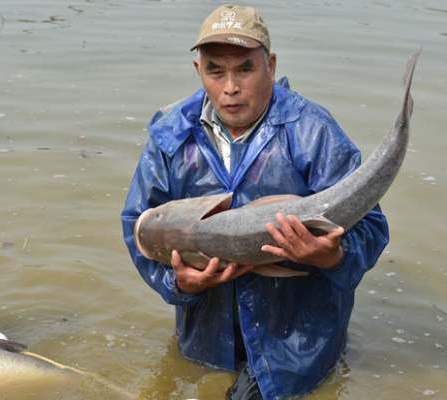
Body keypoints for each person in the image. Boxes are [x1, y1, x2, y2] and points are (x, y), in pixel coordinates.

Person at [121, 4, 389, 400]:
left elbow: (371, 226)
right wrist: (178, 283)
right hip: (205, 343)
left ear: (271, 65)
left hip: (297, 347)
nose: (231, 87)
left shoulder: (313, 132)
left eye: (245, 68)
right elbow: (138, 226)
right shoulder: (170, 135)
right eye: (216, 70)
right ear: (199, 71)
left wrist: (329, 255)